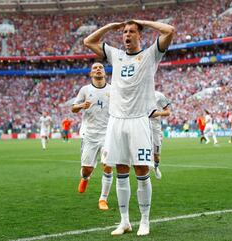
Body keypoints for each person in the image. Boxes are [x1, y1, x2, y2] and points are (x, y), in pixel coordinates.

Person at [84, 19, 174, 236]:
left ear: (139, 35)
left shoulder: (151, 54)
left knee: (142, 171)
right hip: (116, 120)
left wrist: (140, 22)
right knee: (121, 170)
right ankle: (124, 221)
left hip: (138, 120)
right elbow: (88, 41)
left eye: (131, 31)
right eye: (124, 31)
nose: (127, 34)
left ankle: (145, 220)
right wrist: (110, 27)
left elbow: (169, 30)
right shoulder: (116, 55)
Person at [72, 62, 113, 210]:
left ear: (104, 72)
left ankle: (103, 199)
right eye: (94, 68)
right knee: (86, 168)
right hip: (89, 134)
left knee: (108, 166)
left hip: (108, 134)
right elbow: (73, 108)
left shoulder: (113, 90)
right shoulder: (85, 90)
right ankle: (85, 178)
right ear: (91, 74)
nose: (98, 70)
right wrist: (82, 105)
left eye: (100, 67)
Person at [149, 90, 171, 180]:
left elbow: (168, 112)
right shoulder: (139, 94)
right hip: (142, 125)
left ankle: (156, 166)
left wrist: (156, 114)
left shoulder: (159, 95)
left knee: (156, 155)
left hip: (155, 127)